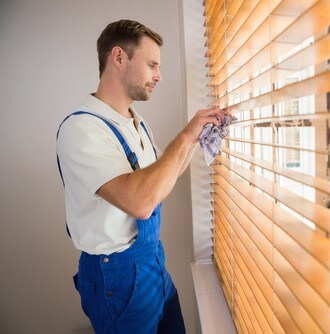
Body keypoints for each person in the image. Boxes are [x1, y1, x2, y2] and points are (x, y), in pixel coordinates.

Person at [56, 19, 230, 334]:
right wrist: (187, 136)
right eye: (152, 65)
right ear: (119, 58)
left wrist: (198, 135)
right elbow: (140, 201)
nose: (159, 76)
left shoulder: (138, 123)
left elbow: (161, 176)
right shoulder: (82, 129)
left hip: (152, 263)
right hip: (116, 275)